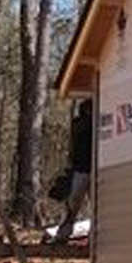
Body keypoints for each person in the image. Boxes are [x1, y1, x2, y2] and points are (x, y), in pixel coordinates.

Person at [51, 99, 94, 244]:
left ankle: (93, 237)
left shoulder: (88, 123)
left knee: (96, 207)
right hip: (81, 169)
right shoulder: (80, 124)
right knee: (72, 205)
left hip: (93, 168)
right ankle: (62, 235)